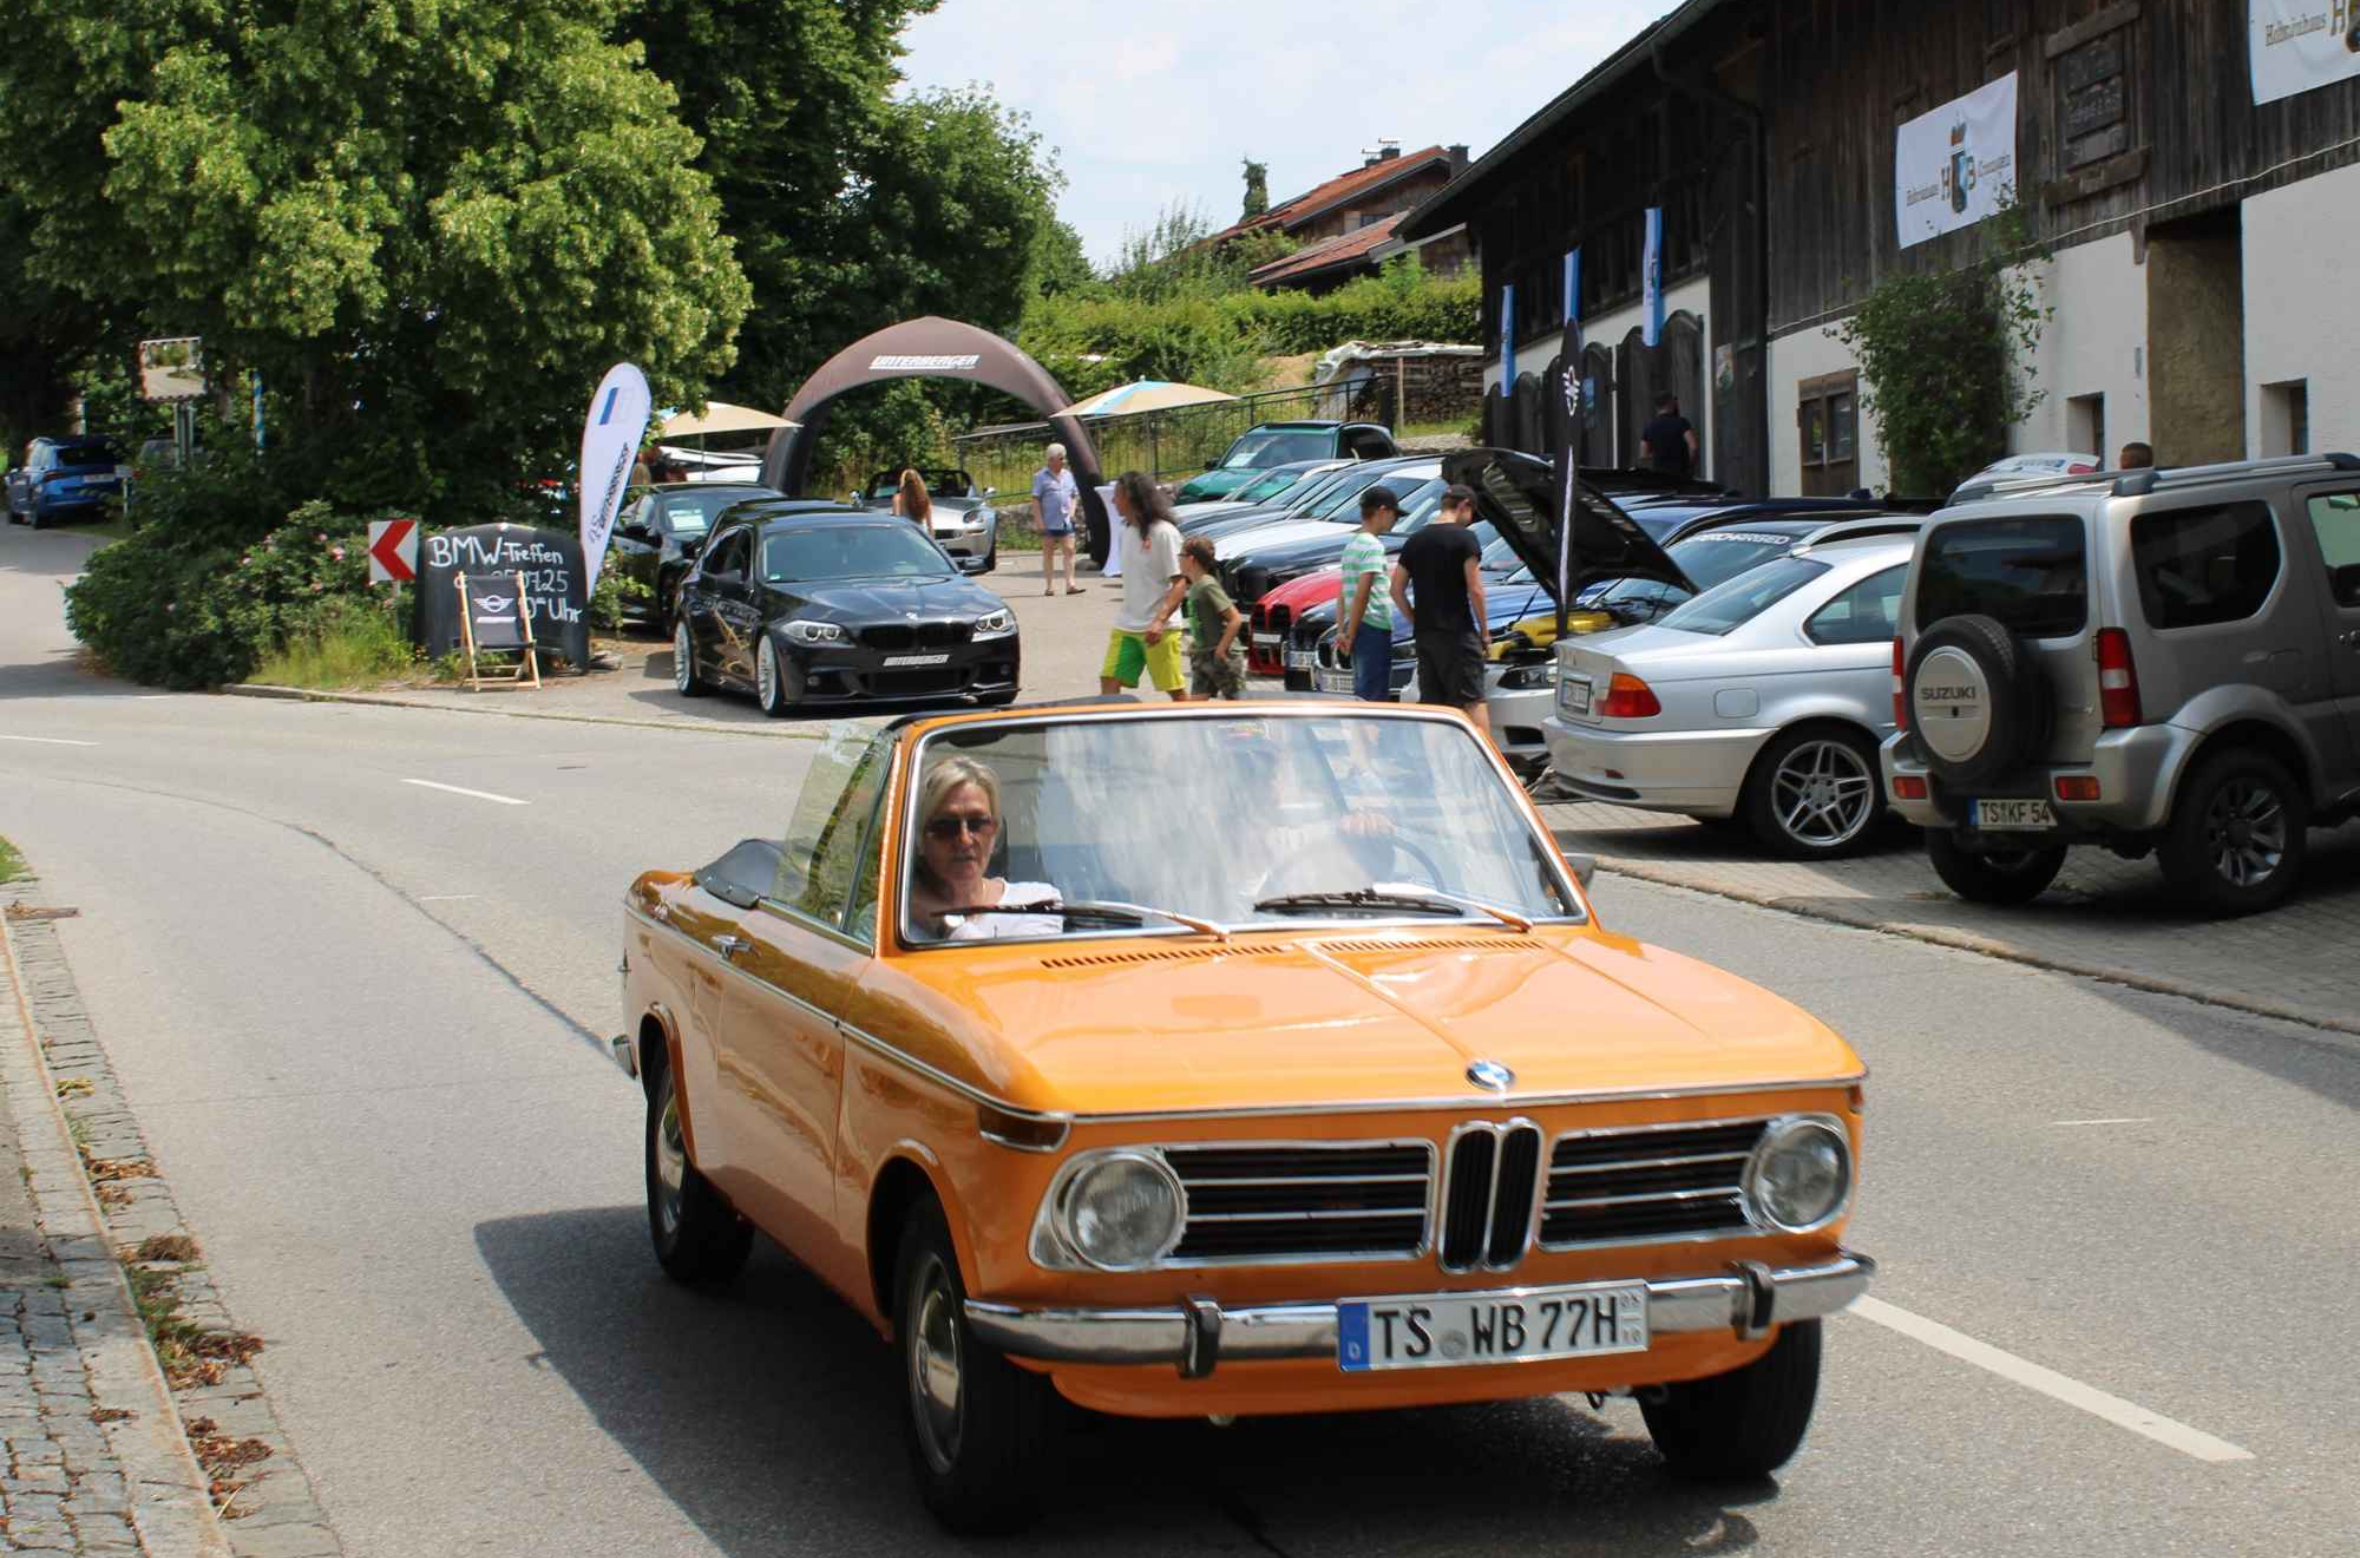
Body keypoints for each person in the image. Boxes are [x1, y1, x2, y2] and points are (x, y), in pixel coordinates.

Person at [904, 757, 1060, 941]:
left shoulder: (1036, 903)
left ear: (994, 833)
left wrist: (941, 922)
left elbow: (1014, 970)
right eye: (946, 826)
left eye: (977, 823)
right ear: (920, 840)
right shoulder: (889, 922)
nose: (964, 839)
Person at [1390, 483, 1491, 740]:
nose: (1471, 521)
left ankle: (1436, 770)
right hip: (1458, 633)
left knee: (1434, 707)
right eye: (1472, 514)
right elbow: (1475, 589)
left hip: (1425, 635)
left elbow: (1396, 589)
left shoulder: (1416, 540)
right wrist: (1486, 633)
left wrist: (1415, 619)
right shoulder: (1464, 538)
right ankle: (1490, 769)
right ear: (1464, 506)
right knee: (1473, 700)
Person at [1101, 471, 1190, 701]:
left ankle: (1195, 729)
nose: (1113, 501)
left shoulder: (1165, 533)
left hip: (1159, 629)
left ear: (1131, 498)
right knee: (1109, 678)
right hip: (1126, 626)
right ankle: (1114, 733)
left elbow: (1180, 582)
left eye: (1117, 496)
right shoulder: (1127, 531)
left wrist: (1159, 621)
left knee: (1173, 689)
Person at [1336, 486, 1404, 702]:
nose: (1395, 521)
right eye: (1394, 514)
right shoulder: (1374, 546)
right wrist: (1351, 634)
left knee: (1361, 689)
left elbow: (1342, 593)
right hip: (1373, 625)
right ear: (1382, 511)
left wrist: (1342, 630)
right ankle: (1373, 736)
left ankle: (1361, 734)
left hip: (1354, 624)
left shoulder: (1352, 544)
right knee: (1373, 694)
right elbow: (1362, 594)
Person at [1180, 536, 1247, 700]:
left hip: (1223, 657)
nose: (1178, 560)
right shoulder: (1195, 586)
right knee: (1196, 709)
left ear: (1191, 559)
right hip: (1202, 654)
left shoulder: (1207, 585)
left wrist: (1221, 649)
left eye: (1180, 556)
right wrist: (1196, 644)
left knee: (1240, 707)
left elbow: (1235, 619)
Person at [1031, 442, 1083, 597]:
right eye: (1061, 458)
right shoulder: (1040, 477)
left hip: (1065, 520)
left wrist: (1072, 512)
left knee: (1069, 551)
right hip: (1048, 521)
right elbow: (1036, 500)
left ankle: (1070, 584)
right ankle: (1050, 586)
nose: (1064, 461)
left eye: (1064, 458)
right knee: (1048, 553)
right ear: (1051, 459)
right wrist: (1039, 521)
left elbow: (1074, 495)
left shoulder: (1068, 475)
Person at [1639, 393, 1699, 478]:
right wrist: (1691, 466)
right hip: (1680, 474)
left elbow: (1643, 454)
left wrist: (1660, 454)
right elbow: (1693, 447)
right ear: (1670, 403)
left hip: (1659, 475)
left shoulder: (1649, 426)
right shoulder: (1681, 422)